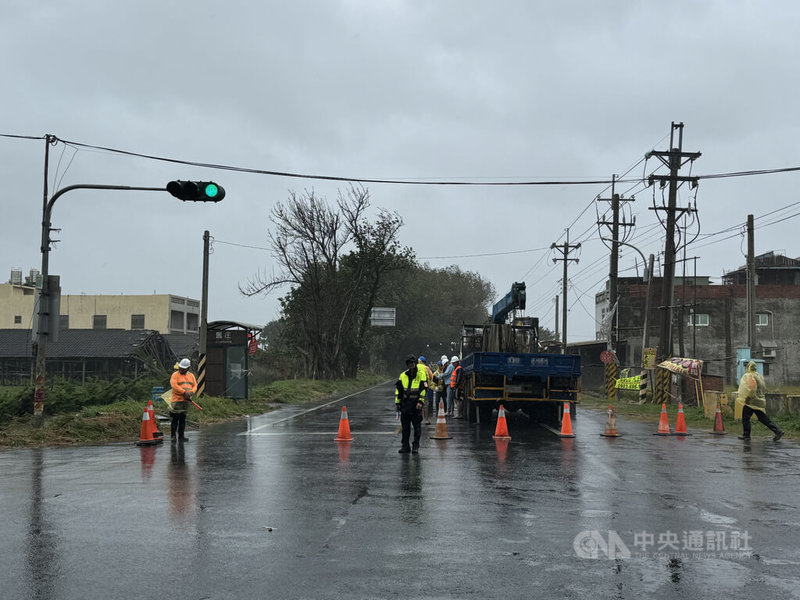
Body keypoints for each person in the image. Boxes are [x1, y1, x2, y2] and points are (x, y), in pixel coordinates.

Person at [737, 360, 783, 441]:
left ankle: (746, 435)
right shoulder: (759, 376)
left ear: (748, 367)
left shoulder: (749, 376)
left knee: (745, 418)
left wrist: (748, 398)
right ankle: (777, 431)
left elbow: (752, 389)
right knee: (763, 419)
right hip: (759, 401)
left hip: (752, 401)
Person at [395, 354, 427, 454]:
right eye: (409, 363)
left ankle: (415, 446)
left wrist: (421, 402)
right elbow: (399, 391)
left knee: (417, 427)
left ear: (415, 363)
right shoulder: (403, 375)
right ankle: (405, 446)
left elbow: (423, 389)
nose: (411, 365)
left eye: (412, 363)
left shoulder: (421, 374)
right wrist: (398, 403)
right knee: (405, 428)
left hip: (416, 405)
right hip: (405, 405)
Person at [169, 358, 197, 443]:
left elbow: (195, 385)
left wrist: (191, 393)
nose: (181, 369)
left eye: (183, 368)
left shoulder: (191, 376)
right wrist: (183, 392)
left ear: (187, 368)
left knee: (183, 419)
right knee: (175, 418)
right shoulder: (175, 375)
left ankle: (181, 436)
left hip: (186, 401)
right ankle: (173, 436)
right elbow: (174, 385)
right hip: (177, 400)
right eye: (180, 368)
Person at [418, 356, 434, 424]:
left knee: (417, 403)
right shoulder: (426, 368)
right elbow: (431, 377)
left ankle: (418, 419)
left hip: (415, 388)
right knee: (425, 404)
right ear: (424, 362)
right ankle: (426, 420)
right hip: (423, 388)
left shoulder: (415, 367)